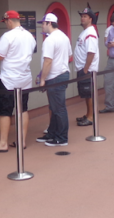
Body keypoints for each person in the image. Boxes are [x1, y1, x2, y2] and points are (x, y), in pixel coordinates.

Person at [0, 11, 36, 153]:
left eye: (5, 22)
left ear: (9, 21)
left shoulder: (7, 36)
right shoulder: (29, 36)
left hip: (8, 79)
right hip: (25, 78)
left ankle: (3, 143)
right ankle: (22, 141)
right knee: (23, 109)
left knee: (5, 111)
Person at [36, 13, 72, 147]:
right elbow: (69, 55)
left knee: (58, 108)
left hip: (55, 76)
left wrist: (43, 79)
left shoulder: (50, 40)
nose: (42, 26)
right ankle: (52, 132)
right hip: (62, 73)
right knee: (55, 107)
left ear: (49, 23)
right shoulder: (64, 36)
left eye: (43, 23)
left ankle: (61, 137)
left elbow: (48, 61)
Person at [74, 5, 101, 127]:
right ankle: (88, 114)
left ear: (91, 19)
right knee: (86, 94)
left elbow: (91, 52)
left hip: (87, 69)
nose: (82, 18)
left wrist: (86, 68)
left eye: (85, 16)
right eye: (82, 16)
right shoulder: (85, 31)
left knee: (89, 94)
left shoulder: (90, 33)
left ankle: (91, 117)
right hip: (83, 68)